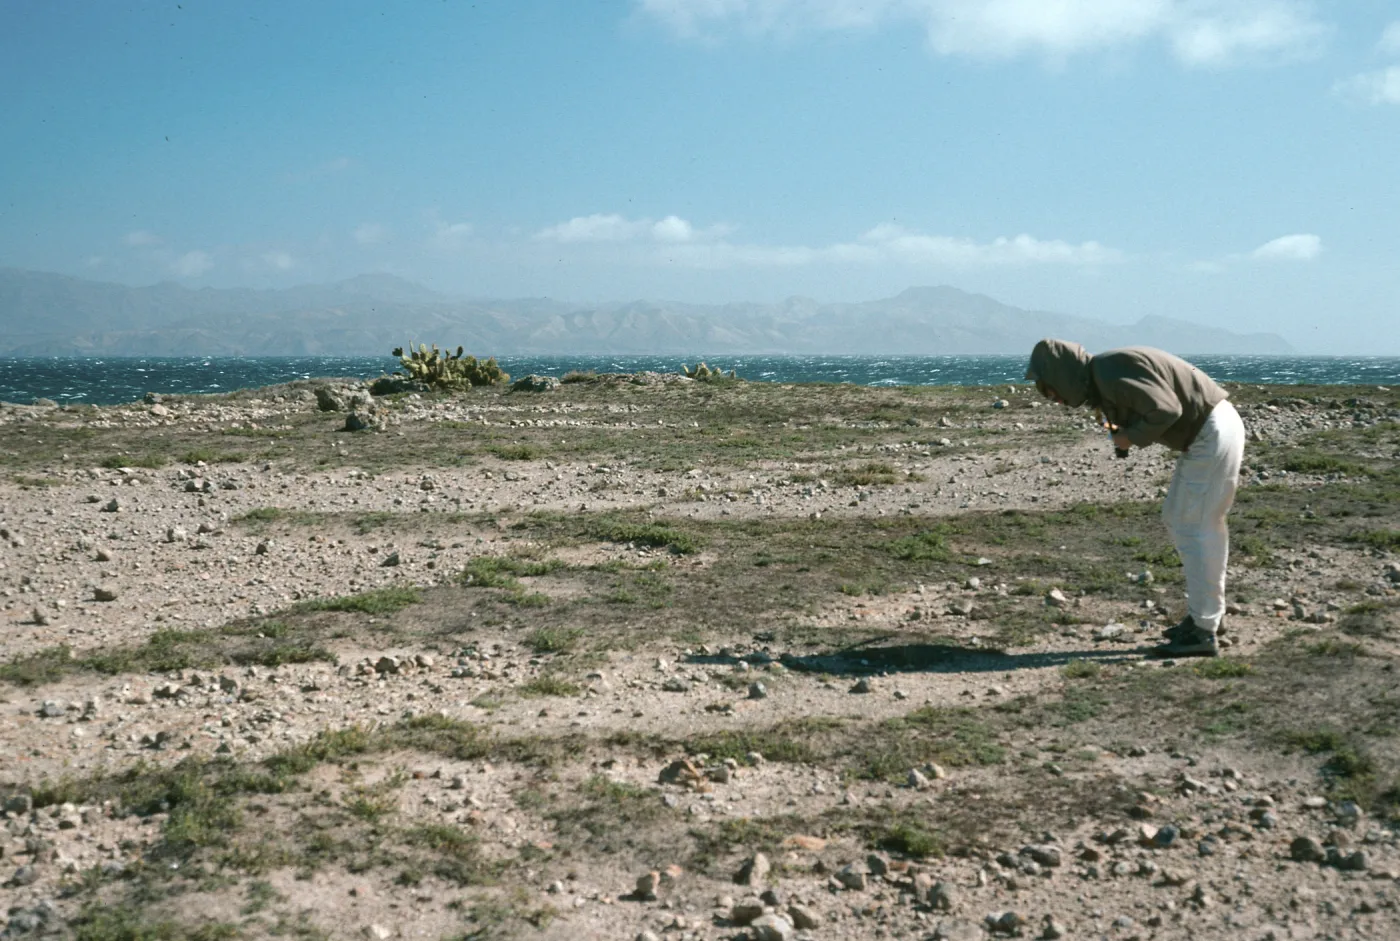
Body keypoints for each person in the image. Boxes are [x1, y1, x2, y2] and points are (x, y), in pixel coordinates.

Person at [1025, 339, 1246, 658]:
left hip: (1210, 431)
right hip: (1214, 427)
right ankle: (1208, 616)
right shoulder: (1103, 375)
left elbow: (1168, 409)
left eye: (1051, 390)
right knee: (1186, 520)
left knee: (1192, 526)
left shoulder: (1110, 371)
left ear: (1061, 374)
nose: (1055, 400)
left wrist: (1129, 437)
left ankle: (1204, 629)